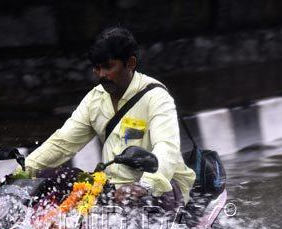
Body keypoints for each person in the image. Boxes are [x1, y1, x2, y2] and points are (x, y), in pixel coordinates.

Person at [20, 27, 196, 210]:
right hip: (114, 188)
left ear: (131, 63)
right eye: (97, 68)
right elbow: (62, 142)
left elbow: (166, 148)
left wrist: (143, 186)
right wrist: (20, 175)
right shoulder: (94, 100)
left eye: (108, 67)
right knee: (50, 178)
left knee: (143, 202)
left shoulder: (157, 97)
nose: (101, 74)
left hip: (162, 186)